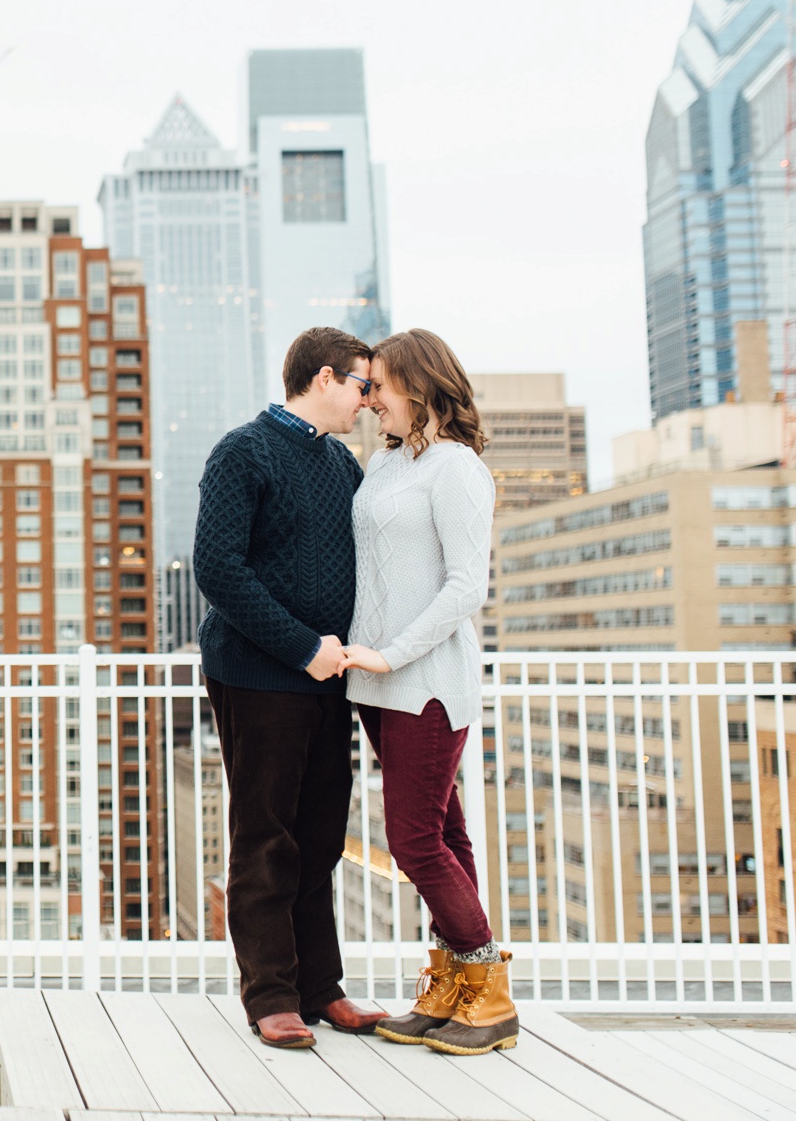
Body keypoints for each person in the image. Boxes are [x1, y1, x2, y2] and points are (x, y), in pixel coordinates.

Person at [192, 327, 387, 1048]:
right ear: (327, 377)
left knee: (320, 835)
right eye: (364, 385)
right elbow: (217, 568)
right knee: (266, 836)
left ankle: (320, 987)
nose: (369, 401)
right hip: (258, 672)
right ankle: (270, 993)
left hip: (328, 680)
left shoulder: (342, 464)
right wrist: (302, 646)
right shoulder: (243, 451)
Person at [338, 329, 513, 1054]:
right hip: (378, 683)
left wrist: (390, 654)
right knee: (444, 833)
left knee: (413, 838)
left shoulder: (456, 469)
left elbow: (465, 587)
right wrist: (367, 662)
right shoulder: (385, 464)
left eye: (379, 385)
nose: (370, 398)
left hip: (426, 682)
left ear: (417, 385)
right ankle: (450, 984)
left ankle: (489, 991)